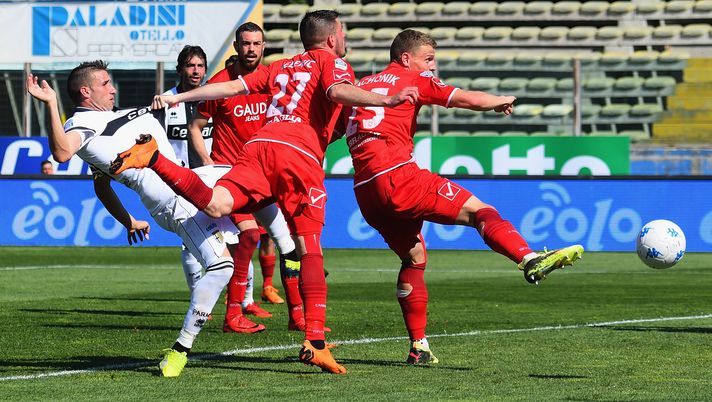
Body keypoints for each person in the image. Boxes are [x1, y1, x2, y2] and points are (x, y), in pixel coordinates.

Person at [110, 10, 419, 374]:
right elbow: (337, 91)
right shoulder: (331, 63)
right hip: (297, 157)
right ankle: (315, 341)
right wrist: (385, 100)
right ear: (333, 37)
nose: (345, 38)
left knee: (216, 204)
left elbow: (229, 88)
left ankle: (155, 159)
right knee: (308, 247)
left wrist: (181, 97)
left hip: (259, 147)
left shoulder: (281, 67)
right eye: (343, 32)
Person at [25, 61, 294, 378]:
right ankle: (180, 350)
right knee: (223, 267)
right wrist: (53, 103)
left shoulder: (114, 118)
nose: (113, 88)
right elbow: (61, 154)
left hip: (193, 179)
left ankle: (301, 301)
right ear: (86, 91)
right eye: (106, 83)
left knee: (265, 183)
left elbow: (101, 186)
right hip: (173, 201)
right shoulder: (80, 128)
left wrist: (129, 221)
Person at [341, 29, 585, 365]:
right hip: (399, 176)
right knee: (479, 212)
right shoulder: (411, 80)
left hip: (365, 191)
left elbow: (337, 129)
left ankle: (419, 346)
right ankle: (529, 259)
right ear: (406, 58)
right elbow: (465, 98)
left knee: (414, 258)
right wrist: (499, 101)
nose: (433, 67)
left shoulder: (359, 88)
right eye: (428, 59)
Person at [187, 23, 286, 333]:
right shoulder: (220, 84)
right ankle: (234, 309)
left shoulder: (272, 80)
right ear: (236, 45)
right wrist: (207, 162)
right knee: (250, 236)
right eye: (246, 43)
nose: (252, 49)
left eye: (257, 43)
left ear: (264, 45)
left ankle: (266, 300)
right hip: (233, 176)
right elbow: (196, 125)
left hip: (267, 172)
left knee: (275, 237)